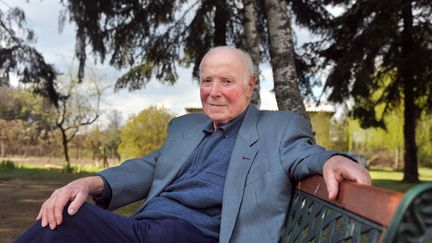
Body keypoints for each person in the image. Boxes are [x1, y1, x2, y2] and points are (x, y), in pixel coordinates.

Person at [15, 46, 370, 243]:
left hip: (191, 235)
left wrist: (334, 159)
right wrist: (88, 182)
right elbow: (149, 167)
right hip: (144, 229)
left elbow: (303, 154)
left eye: (227, 81)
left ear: (250, 86)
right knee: (68, 214)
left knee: (69, 221)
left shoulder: (278, 127)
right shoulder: (184, 127)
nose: (214, 91)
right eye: (207, 80)